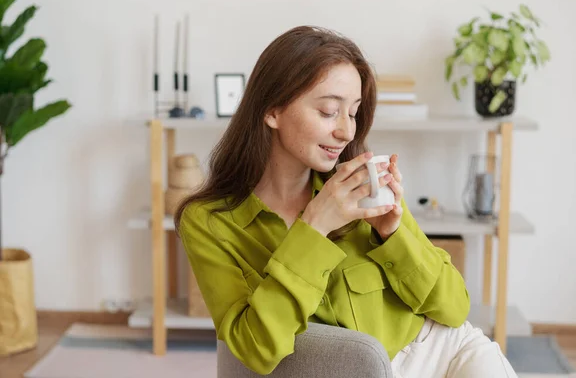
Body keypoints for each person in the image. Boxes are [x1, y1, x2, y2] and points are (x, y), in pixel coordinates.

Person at [175, 25, 518, 378]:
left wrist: (394, 234)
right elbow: (254, 350)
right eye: (328, 111)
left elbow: (455, 308)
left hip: (448, 348)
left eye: (353, 112)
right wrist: (314, 226)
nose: (347, 131)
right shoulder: (209, 221)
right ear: (272, 110)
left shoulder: (360, 185)